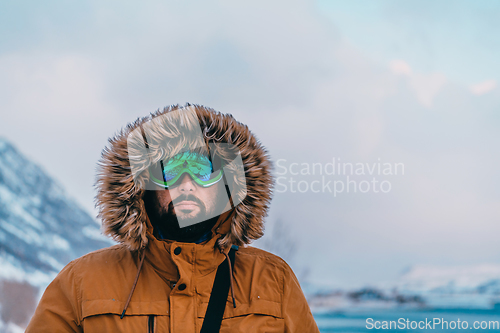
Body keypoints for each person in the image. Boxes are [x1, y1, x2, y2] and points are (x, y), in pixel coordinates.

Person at [26, 104, 320, 332]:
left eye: (202, 169)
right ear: (146, 186)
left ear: (226, 185)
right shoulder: (81, 282)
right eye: (171, 170)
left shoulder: (272, 281)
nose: (187, 182)